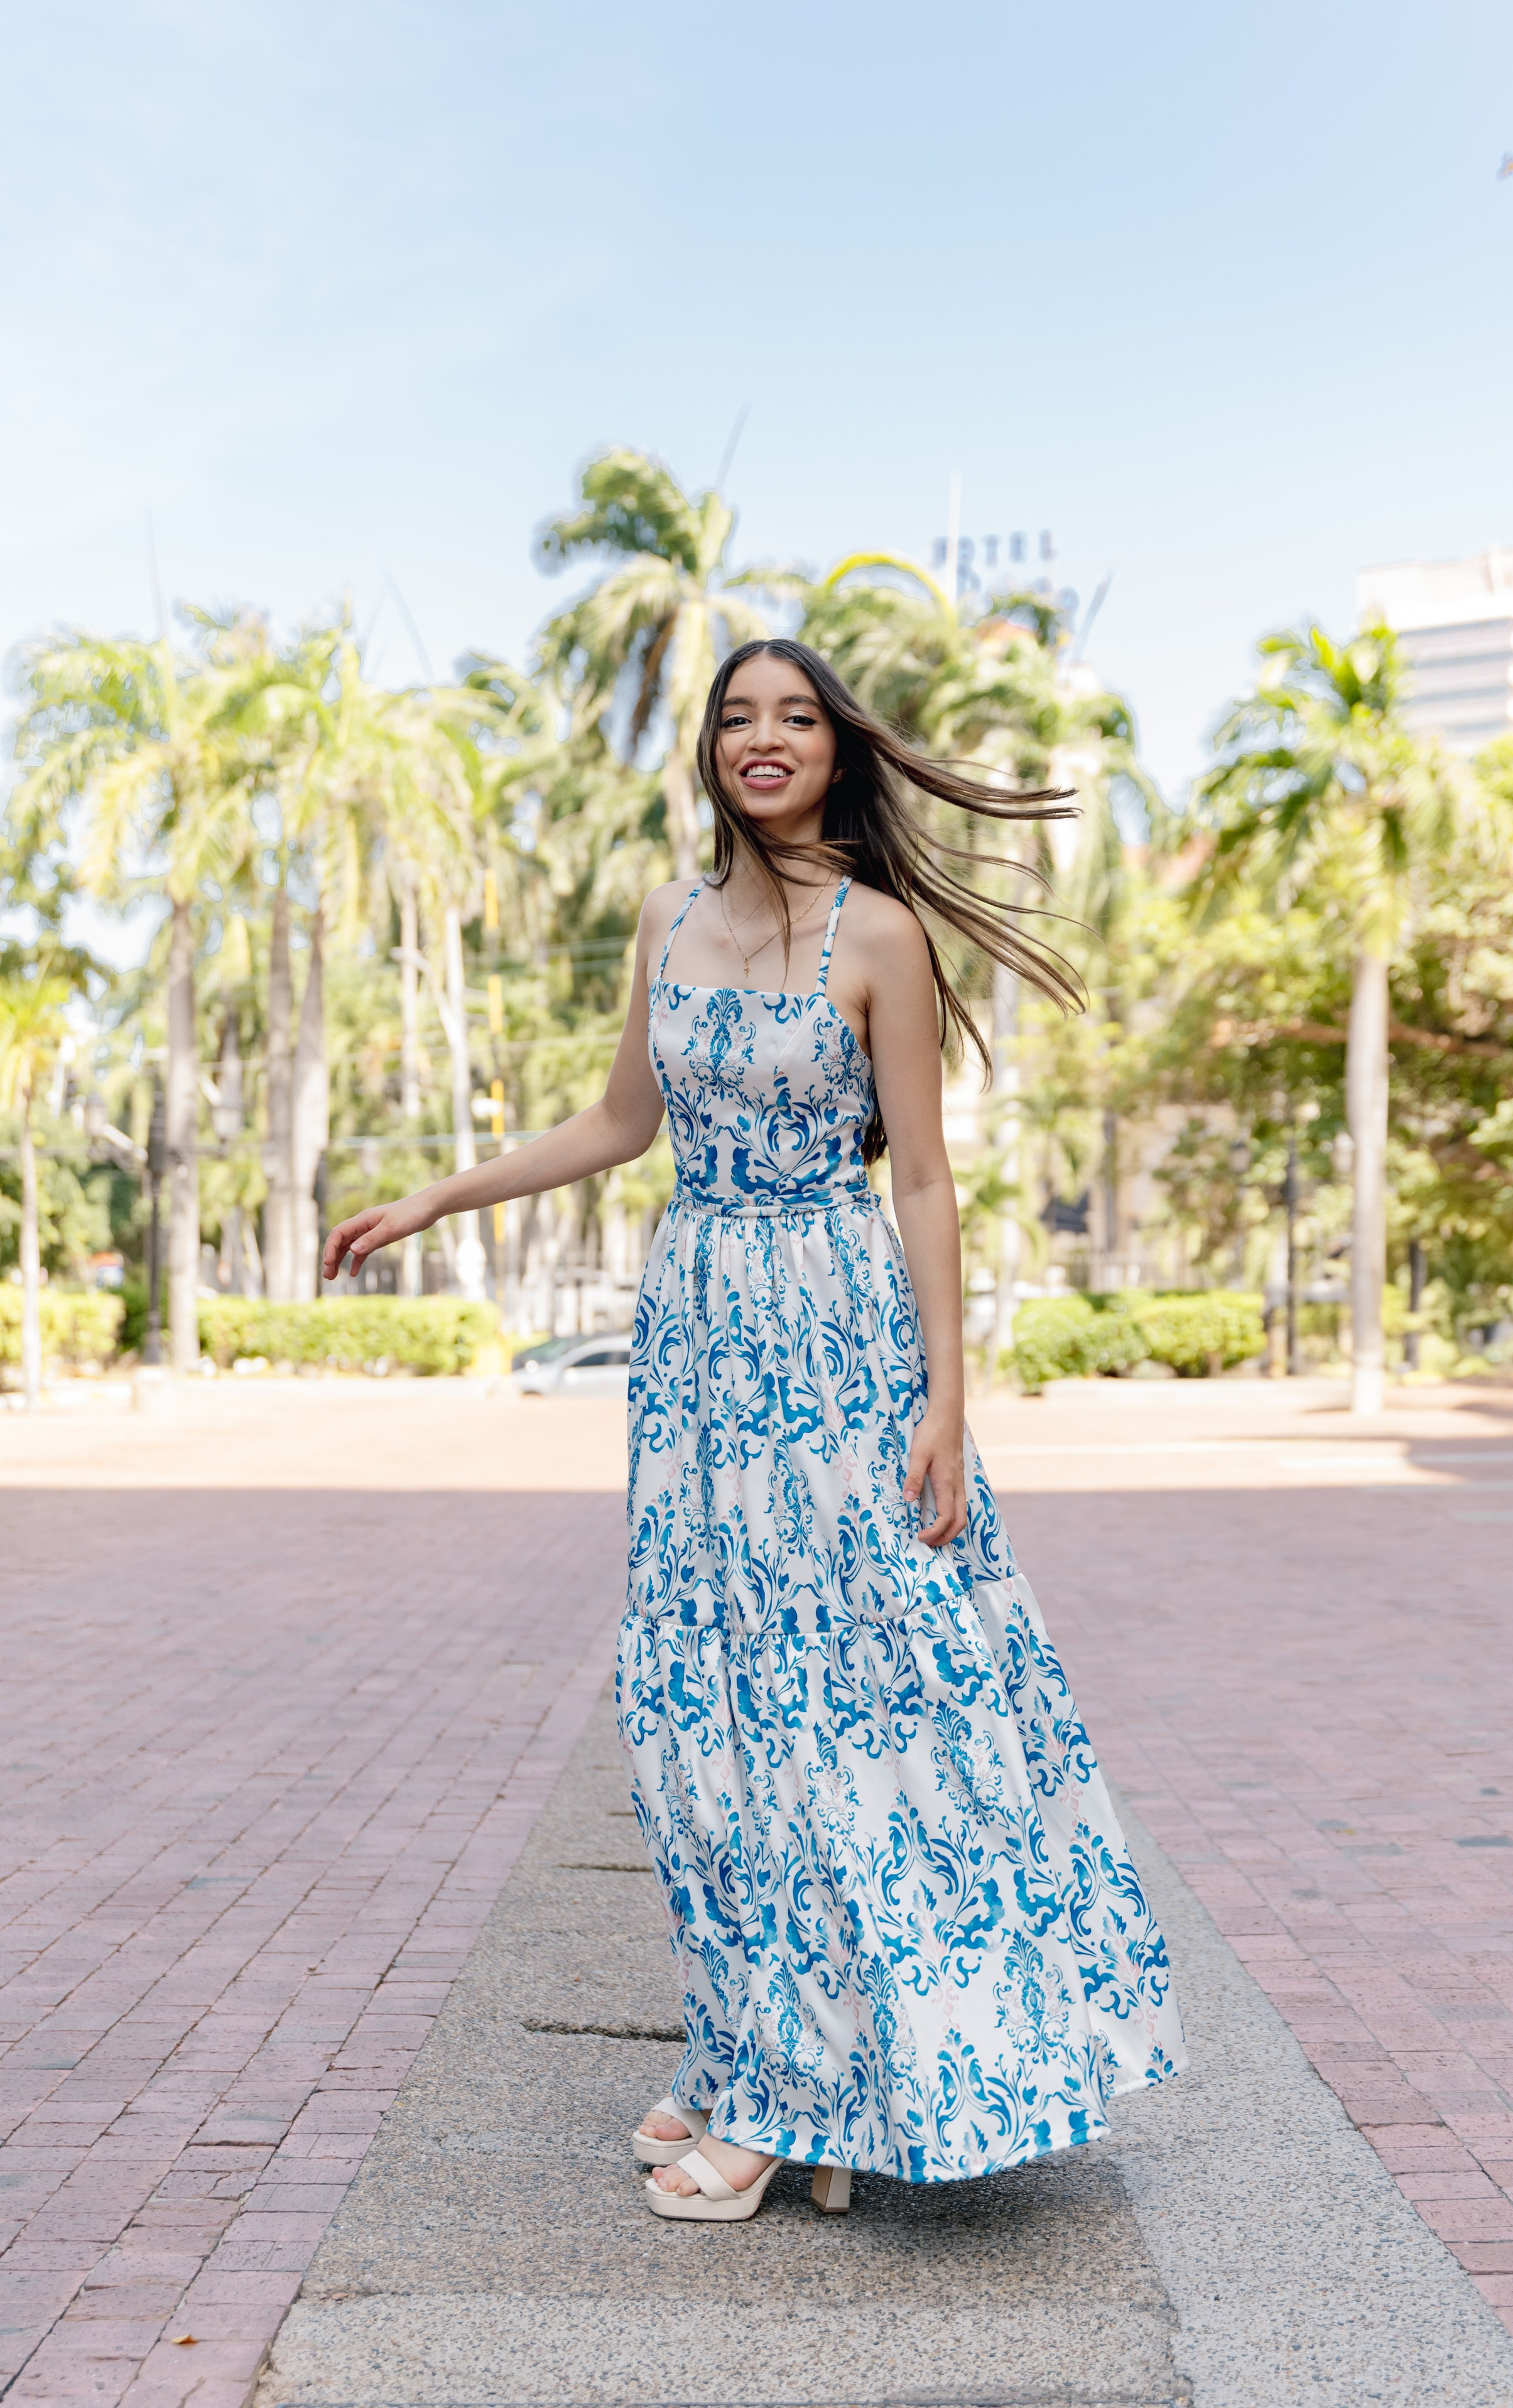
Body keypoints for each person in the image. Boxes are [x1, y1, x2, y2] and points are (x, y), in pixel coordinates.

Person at [323, 637, 1185, 2225]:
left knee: (834, 1708)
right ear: (709, 750)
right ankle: (749, 2043)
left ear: (838, 750)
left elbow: (919, 1175)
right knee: (695, 1714)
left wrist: (947, 1394)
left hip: (837, 1338)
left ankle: (801, 2087)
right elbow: (619, 1123)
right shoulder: (670, 916)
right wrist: (445, 1192)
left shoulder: (882, 937)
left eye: (795, 717)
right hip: (699, 1346)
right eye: (737, 717)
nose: (763, 739)